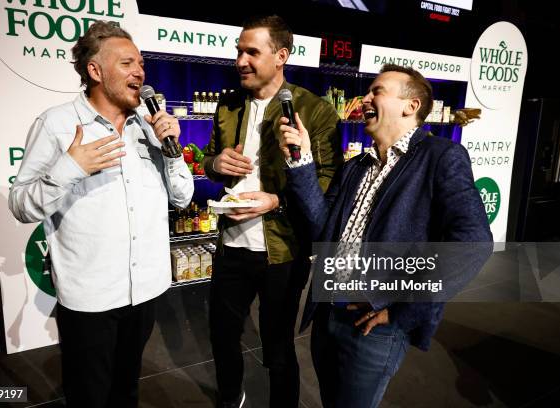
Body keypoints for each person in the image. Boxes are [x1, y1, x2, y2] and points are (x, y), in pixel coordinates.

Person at [279, 64, 493, 408]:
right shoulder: (355, 167)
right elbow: (322, 228)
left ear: (411, 106)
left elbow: (472, 243)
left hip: (375, 325)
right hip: (328, 313)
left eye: (376, 91)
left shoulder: (442, 156)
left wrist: (403, 310)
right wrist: (302, 160)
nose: (364, 98)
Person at [8, 21, 193, 408]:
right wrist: (69, 168)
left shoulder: (148, 126)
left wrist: (172, 150)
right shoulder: (57, 125)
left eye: (141, 63)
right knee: (88, 395)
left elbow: (183, 197)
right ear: (95, 71)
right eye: (127, 63)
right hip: (90, 299)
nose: (140, 72)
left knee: (127, 389)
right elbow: (20, 204)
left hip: (145, 290)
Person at [202, 15, 343, 408]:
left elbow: (329, 181)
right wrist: (216, 164)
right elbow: (210, 159)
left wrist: (276, 200)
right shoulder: (228, 105)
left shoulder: (314, 110)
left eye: (251, 52)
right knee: (222, 334)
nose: (240, 61)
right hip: (230, 243)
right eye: (238, 52)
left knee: (278, 347)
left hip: (283, 250)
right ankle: (231, 397)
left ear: (281, 55)